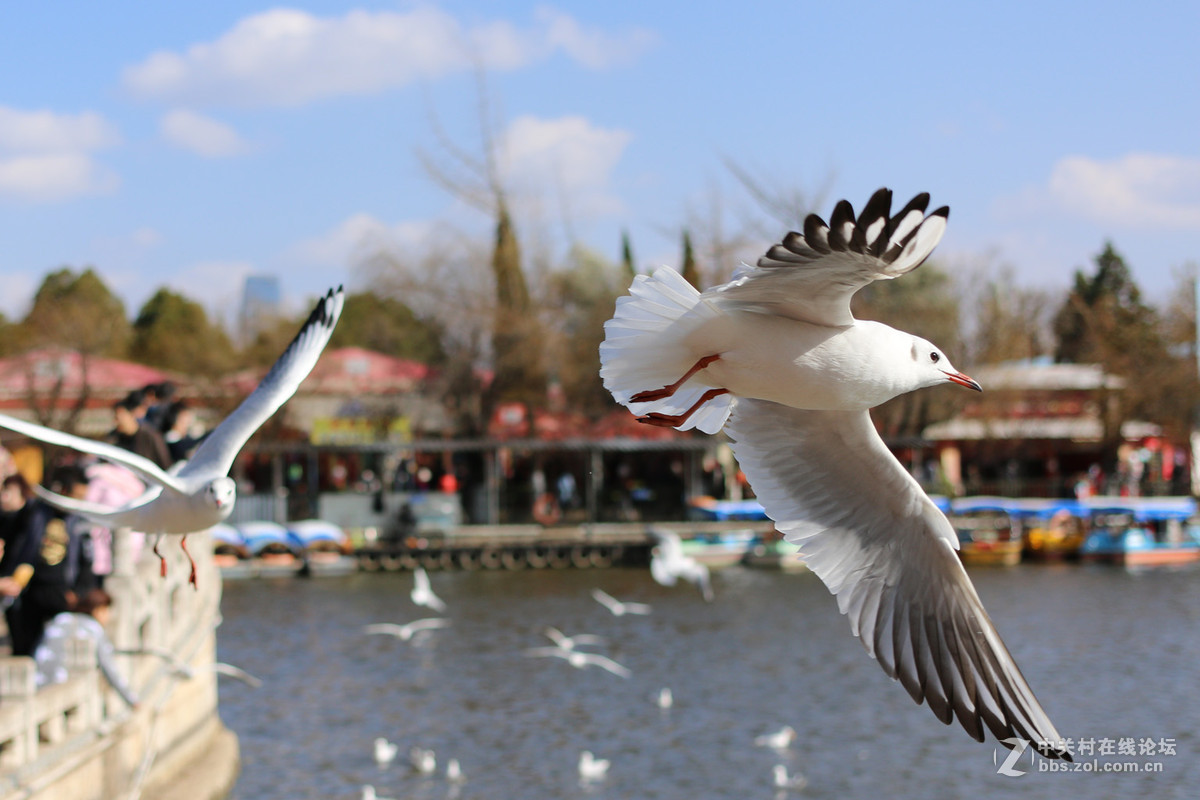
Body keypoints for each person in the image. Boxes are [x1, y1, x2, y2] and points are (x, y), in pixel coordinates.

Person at [0, 474, 71, 656]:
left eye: (8, 492)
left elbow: (28, 552)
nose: (3, 497)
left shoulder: (36, 515)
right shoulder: (13, 518)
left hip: (39, 587)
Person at [33, 588, 138, 708]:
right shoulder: (93, 628)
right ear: (98, 610)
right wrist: (132, 700)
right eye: (106, 611)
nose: (108, 616)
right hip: (65, 693)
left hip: (37, 687)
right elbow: (109, 668)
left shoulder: (60, 619)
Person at [108, 395, 172, 469]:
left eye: (118, 418)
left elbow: (165, 464)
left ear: (132, 415)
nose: (116, 422)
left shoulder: (150, 436)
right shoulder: (115, 438)